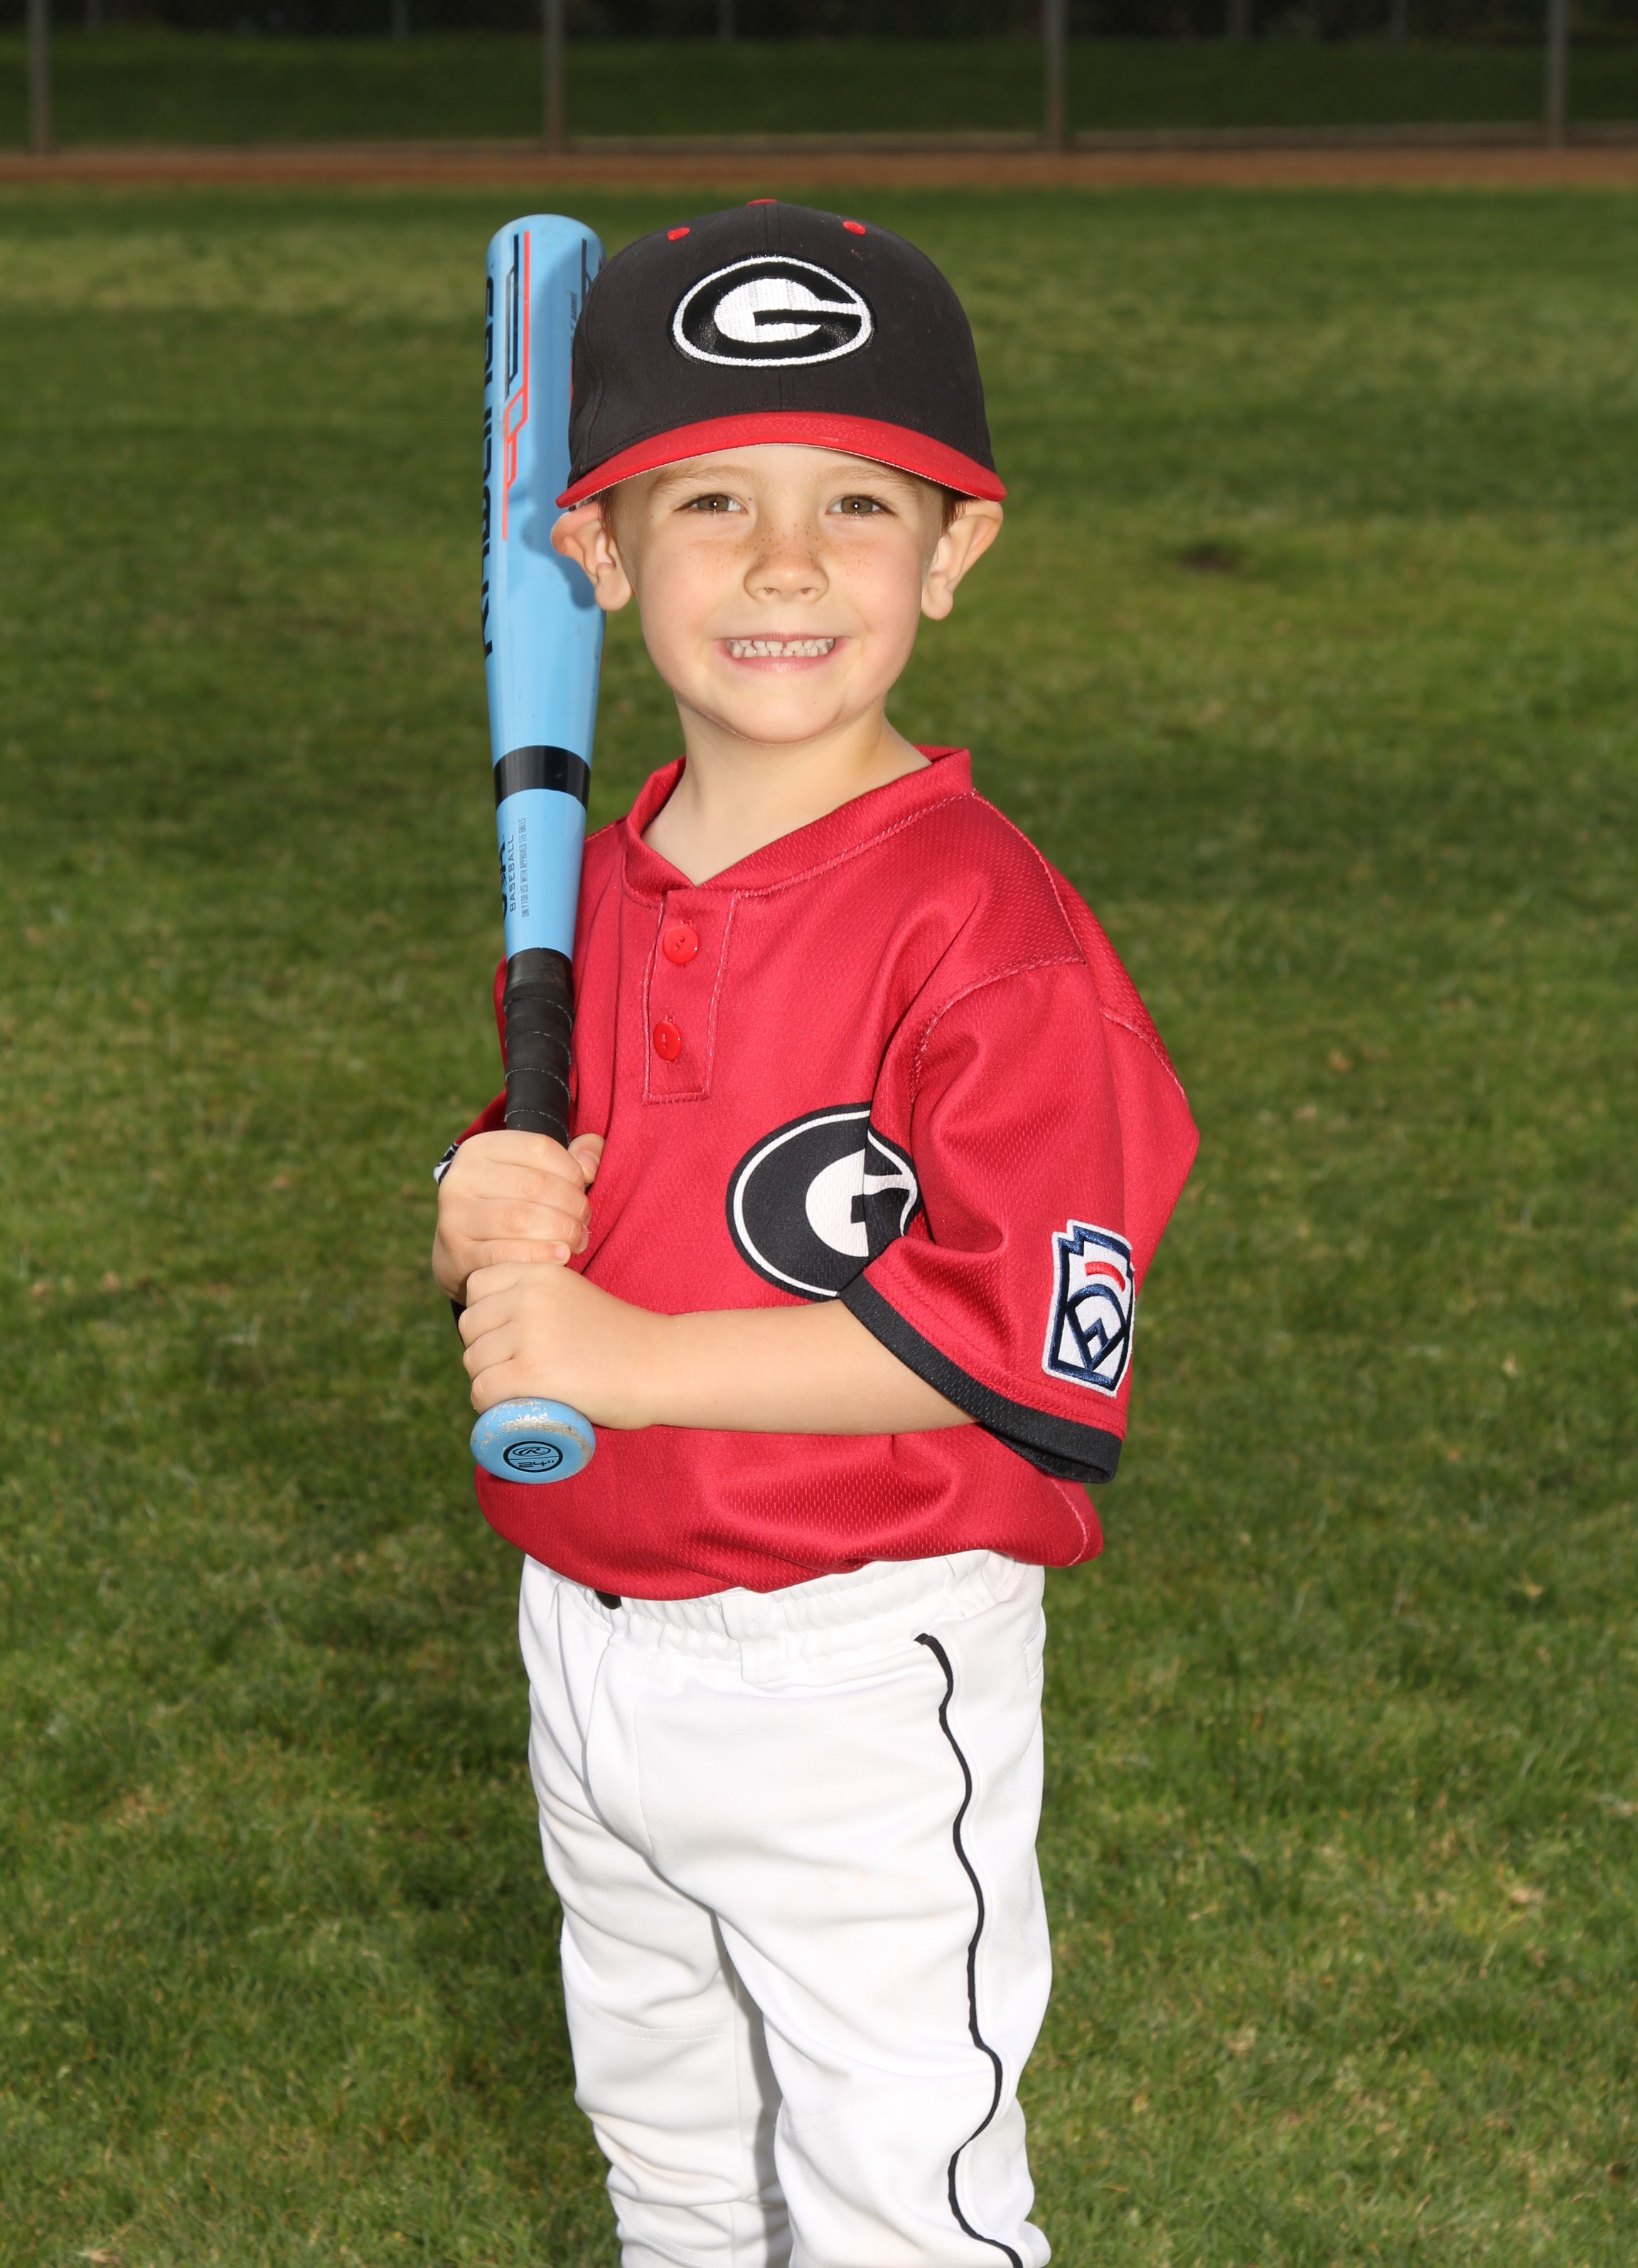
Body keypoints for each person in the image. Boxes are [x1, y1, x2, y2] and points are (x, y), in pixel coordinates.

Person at [432, 201, 1197, 2268]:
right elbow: (562, 1198)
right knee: (675, 2167)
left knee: (894, 2198)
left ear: (955, 550)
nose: (784, 562)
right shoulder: (593, 890)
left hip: (858, 1664)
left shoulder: (991, 937)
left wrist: (631, 1360)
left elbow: (1016, 1353)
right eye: (711, 499)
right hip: (590, 1630)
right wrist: (476, 1207)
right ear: (594, 551)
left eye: (858, 500)